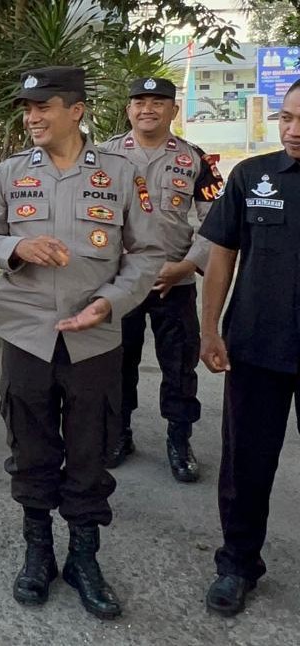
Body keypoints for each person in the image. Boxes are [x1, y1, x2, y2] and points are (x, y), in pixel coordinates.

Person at [0, 66, 163, 620]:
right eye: (27, 109)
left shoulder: (121, 174)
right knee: (29, 448)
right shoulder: (8, 173)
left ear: (75, 111)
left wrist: (110, 303)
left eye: (43, 107)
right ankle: (37, 553)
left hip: (95, 336)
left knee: (89, 449)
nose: (31, 118)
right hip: (27, 335)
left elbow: (147, 254)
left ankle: (83, 558)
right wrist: (16, 249)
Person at [198, 79, 300, 617]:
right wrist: (209, 329)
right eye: (286, 117)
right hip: (257, 348)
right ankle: (237, 564)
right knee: (246, 464)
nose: (293, 129)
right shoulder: (251, 176)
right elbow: (222, 257)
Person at [98, 77, 225, 481]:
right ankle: (119, 433)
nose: (147, 109)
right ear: (128, 108)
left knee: (179, 367)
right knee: (118, 364)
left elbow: (216, 222)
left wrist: (188, 265)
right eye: (139, 101)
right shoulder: (104, 156)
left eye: (158, 102)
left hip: (176, 280)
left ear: (174, 109)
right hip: (122, 281)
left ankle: (178, 438)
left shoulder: (195, 159)